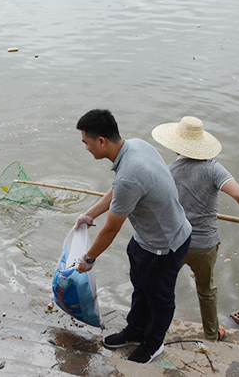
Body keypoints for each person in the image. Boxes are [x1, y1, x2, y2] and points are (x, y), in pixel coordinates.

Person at [73, 109, 191, 364]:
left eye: (86, 142)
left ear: (101, 141)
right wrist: (89, 214)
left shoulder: (130, 173)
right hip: (145, 240)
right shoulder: (135, 146)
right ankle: (135, 331)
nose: (86, 148)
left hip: (165, 245)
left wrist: (88, 259)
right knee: (141, 287)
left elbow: (111, 229)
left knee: (160, 298)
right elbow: (118, 189)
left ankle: (153, 344)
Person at [151, 116, 239, 341]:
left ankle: (156, 328)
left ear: (176, 146)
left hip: (175, 242)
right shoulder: (213, 168)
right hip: (205, 245)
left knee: (164, 285)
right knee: (206, 289)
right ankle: (211, 332)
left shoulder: (168, 171)